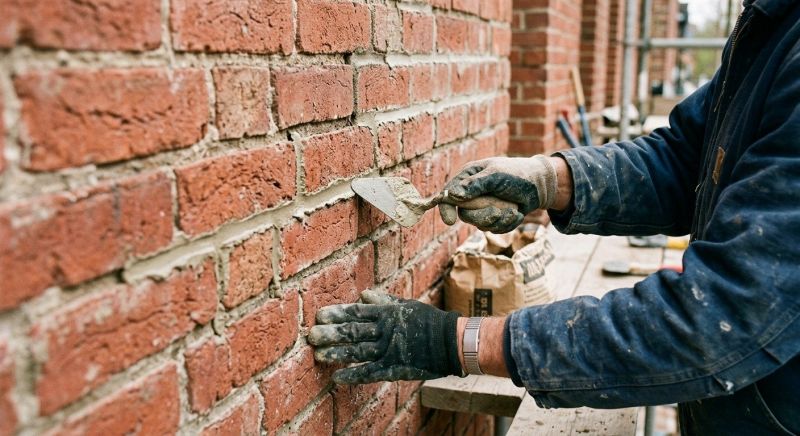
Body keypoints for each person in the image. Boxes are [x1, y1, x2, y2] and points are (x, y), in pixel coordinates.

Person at [308, 0, 800, 433]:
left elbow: (721, 316)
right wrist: (548, 180)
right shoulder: (770, 23)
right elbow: (682, 159)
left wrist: (452, 342)